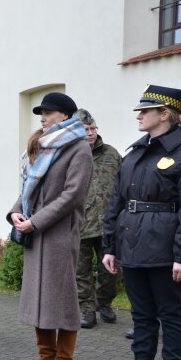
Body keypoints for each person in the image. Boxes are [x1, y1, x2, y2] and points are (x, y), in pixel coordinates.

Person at [102, 85, 181, 360]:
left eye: (145, 111)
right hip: (132, 246)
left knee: (170, 316)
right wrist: (110, 246)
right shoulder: (136, 153)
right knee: (141, 318)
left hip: (165, 250)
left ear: (164, 114)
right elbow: (116, 200)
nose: (139, 116)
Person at [7, 92, 92, 360]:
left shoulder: (78, 149)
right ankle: (46, 356)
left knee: (63, 299)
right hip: (35, 232)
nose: (42, 118)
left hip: (59, 234)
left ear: (66, 116)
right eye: (41, 113)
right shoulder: (43, 146)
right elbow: (29, 188)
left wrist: (36, 221)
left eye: (49, 112)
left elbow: (72, 196)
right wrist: (16, 214)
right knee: (38, 297)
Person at [73, 109, 122, 329]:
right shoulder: (69, 156)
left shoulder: (111, 154)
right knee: (80, 272)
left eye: (93, 128)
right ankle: (87, 310)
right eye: (86, 130)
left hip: (109, 226)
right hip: (79, 225)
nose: (91, 133)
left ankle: (104, 304)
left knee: (111, 272)